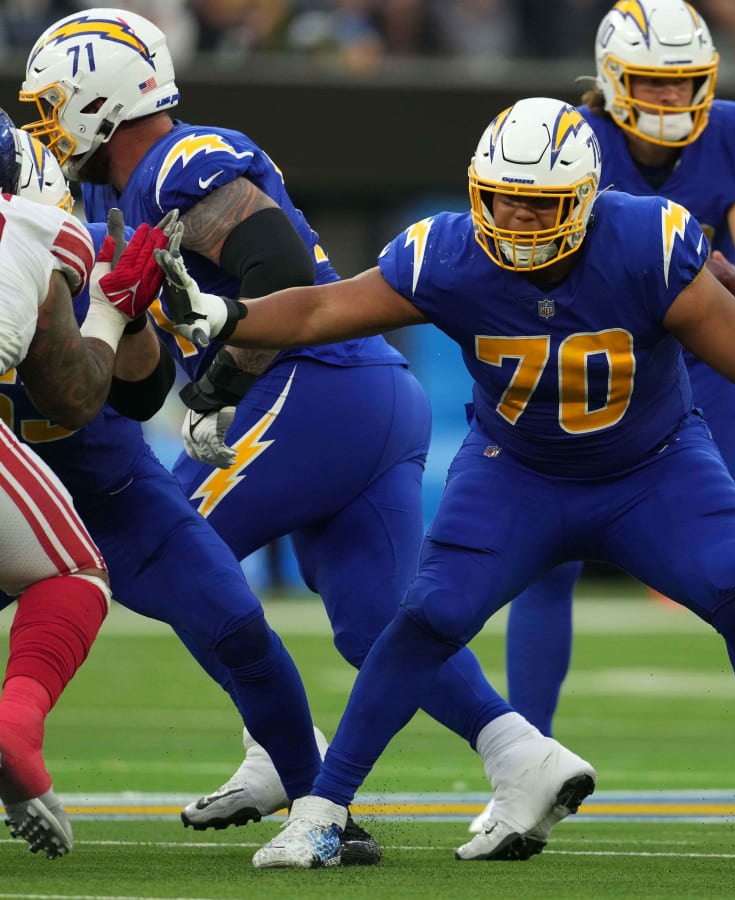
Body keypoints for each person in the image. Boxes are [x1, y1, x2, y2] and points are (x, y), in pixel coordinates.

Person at [156, 96, 735, 875]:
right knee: (427, 617)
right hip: (517, 474)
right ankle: (320, 812)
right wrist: (226, 312)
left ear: (584, 200)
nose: (518, 221)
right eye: (503, 201)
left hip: (654, 469)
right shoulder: (447, 253)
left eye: (540, 205)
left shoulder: (645, 242)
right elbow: (321, 307)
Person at [19, 7, 560, 866]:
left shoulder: (176, 164)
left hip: (318, 390)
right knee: (374, 619)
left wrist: (220, 385)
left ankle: (279, 749)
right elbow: (142, 380)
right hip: (370, 394)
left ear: (99, 100)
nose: (42, 126)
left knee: (165, 550)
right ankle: (520, 754)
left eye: (51, 105)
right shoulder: (110, 196)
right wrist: (129, 327)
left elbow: (275, 264)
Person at [486, 0, 735, 834]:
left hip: (698, 358)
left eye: (685, 83)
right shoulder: (567, 138)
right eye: (651, 82)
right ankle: (526, 770)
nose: (672, 101)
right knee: (547, 557)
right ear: (611, 79)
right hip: (592, 361)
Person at [0, 109, 171, 859]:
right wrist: (108, 308)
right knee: (72, 571)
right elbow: (74, 396)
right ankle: (15, 730)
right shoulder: (37, 226)